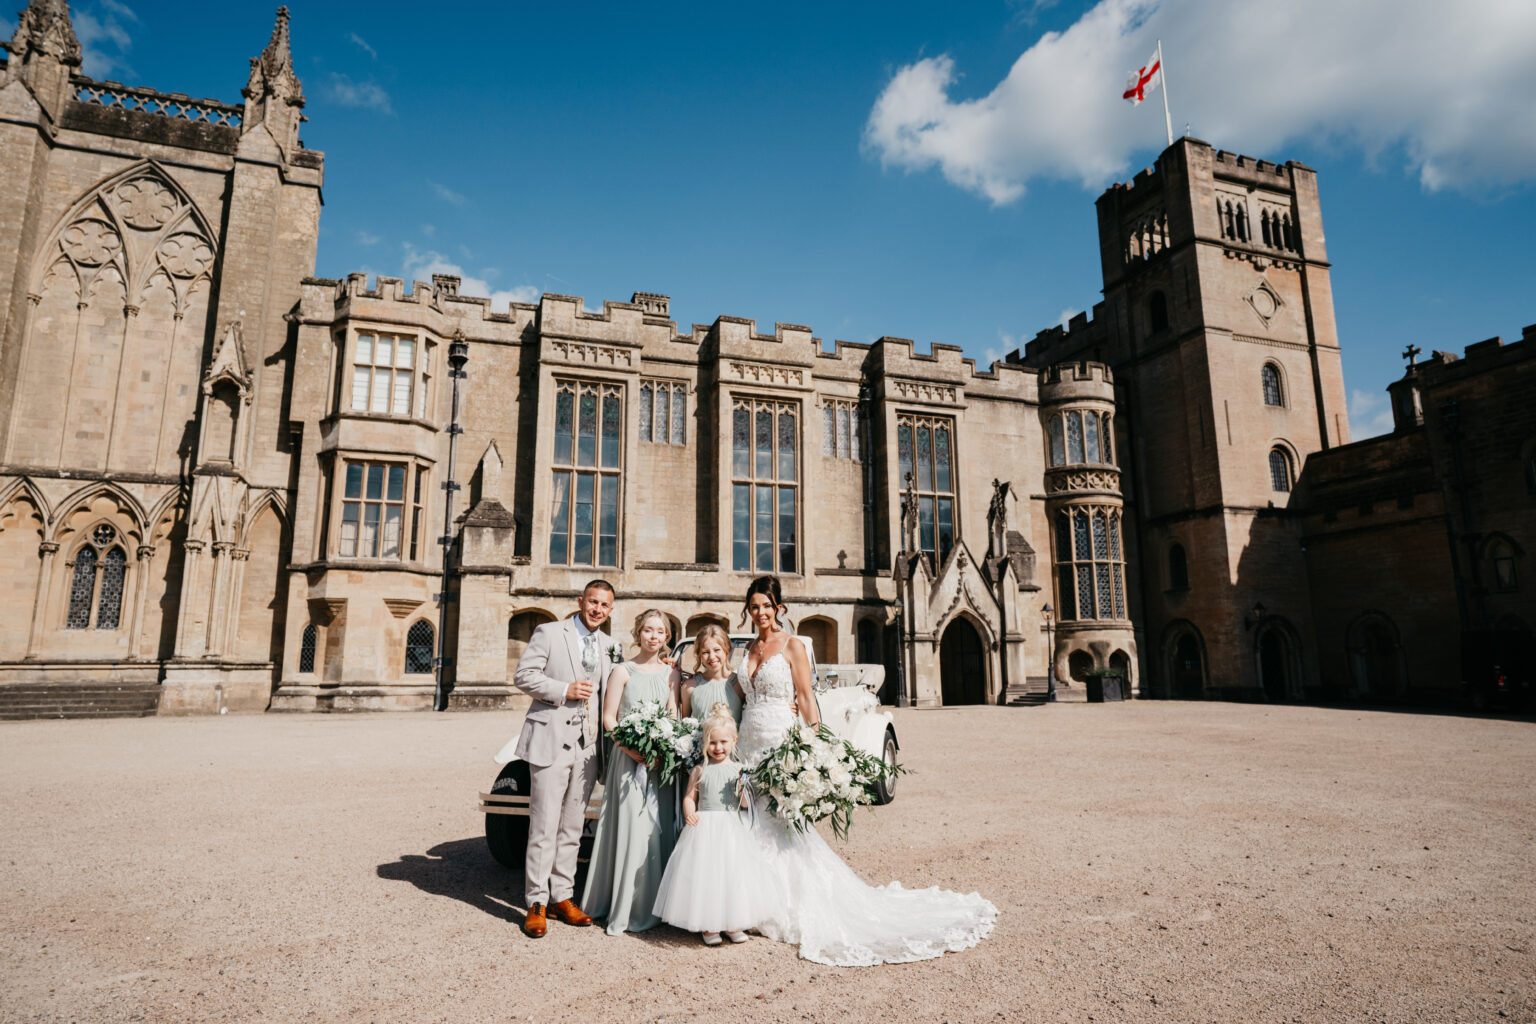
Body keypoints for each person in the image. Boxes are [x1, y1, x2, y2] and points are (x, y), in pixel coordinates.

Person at [733, 575, 998, 967]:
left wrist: (815, 743)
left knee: (783, 824)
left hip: (780, 741)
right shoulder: (749, 647)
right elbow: (735, 689)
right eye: (754, 606)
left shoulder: (792, 646)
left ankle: (787, 905)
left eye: (767, 606)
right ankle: (750, 902)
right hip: (748, 740)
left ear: (779, 608)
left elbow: (805, 697)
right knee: (750, 822)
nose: (760, 613)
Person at [509, 579, 620, 939]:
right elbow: (523, 676)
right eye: (592, 602)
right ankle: (536, 903)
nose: (597, 609)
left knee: (572, 827)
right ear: (580, 601)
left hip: (588, 748)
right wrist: (563, 690)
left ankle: (562, 896)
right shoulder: (550, 632)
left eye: (604, 605)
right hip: (550, 739)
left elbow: (622, 683)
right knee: (543, 826)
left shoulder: (610, 646)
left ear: (610, 609)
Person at [581, 608, 681, 935]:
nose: (654, 636)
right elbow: (609, 719)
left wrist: (661, 746)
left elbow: (673, 715)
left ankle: (657, 905)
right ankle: (626, 906)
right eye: (648, 630)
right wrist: (631, 748)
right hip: (629, 762)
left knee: (657, 830)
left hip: (658, 763)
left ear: (667, 638)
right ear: (638, 632)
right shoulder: (622, 671)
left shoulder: (671, 674)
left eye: (660, 632)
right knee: (632, 831)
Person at [653, 704, 779, 945]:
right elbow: (691, 797)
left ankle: (733, 922)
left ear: (734, 741)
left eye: (723, 742)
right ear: (705, 743)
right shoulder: (700, 770)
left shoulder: (739, 770)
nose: (718, 748)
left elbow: (744, 804)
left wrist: (743, 790)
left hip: (731, 828)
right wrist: (690, 812)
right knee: (708, 875)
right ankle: (709, 925)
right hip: (706, 828)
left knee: (732, 874)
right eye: (712, 743)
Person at [678, 623, 742, 725]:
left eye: (717, 650)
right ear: (699, 655)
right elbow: (685, 726)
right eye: (705, 652)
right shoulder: (689, 686)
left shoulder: (739, 685)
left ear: (727, 650)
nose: (712, 657)